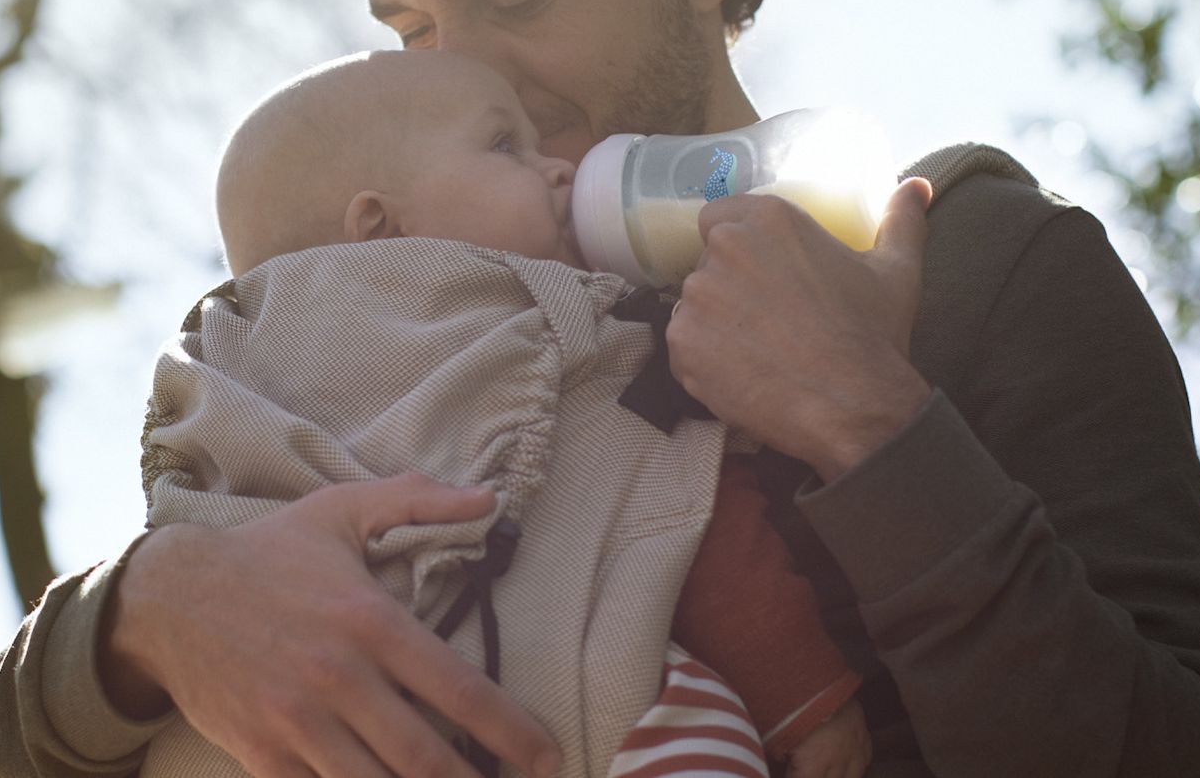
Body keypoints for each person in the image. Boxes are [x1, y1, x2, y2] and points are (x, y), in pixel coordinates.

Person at [0, 0, 1200, 776]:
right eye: (412, 24)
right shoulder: (371, 315)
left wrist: (877, 431)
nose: (464, 71)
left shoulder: (974, 257)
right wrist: (144, 614)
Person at [172, 48, 873, 778]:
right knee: (703, 725)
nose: (561, 168)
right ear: (381, 227)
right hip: (581, 711)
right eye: (506, 144)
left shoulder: (228, 395)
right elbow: (686, 514)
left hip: (320, 733)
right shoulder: (568, 343)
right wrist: (804, 700)